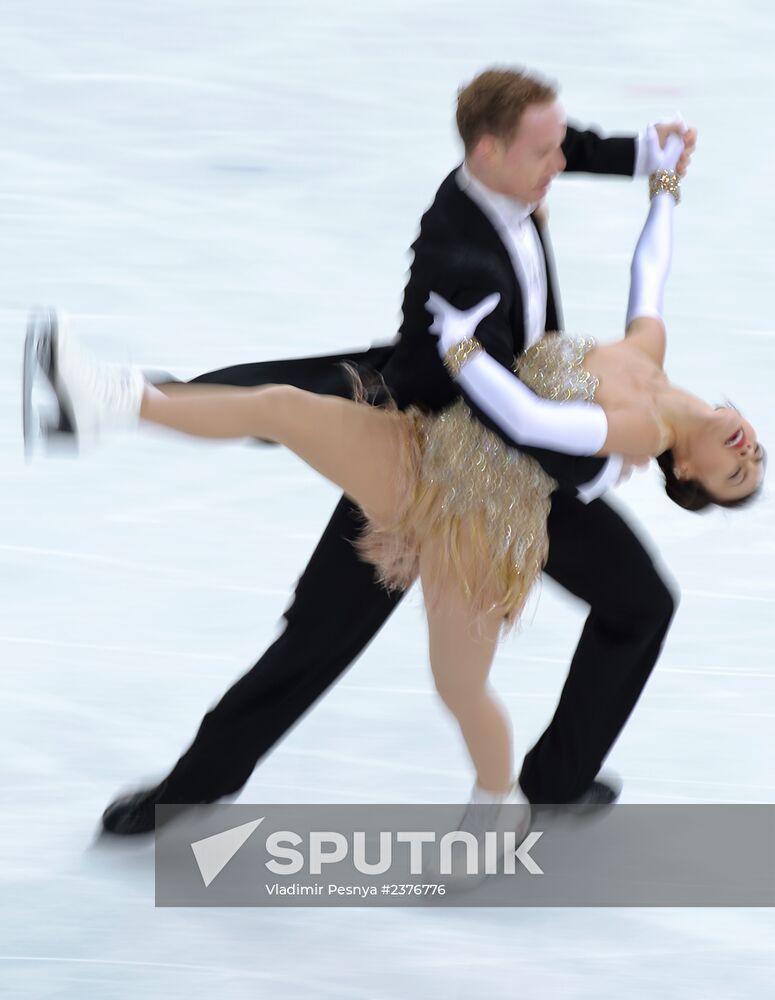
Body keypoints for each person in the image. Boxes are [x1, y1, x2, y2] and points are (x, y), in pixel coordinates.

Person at [29, 120, 762, 829]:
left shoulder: (628, 431)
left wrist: (472, 357)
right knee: (311, 568)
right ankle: (195, 784)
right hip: (425, 438)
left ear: (687, 470)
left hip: (507, 494)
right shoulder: (639, 342)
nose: (747, 453)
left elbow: (543, 432)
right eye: (752, 456)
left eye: (736, 474)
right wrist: (658, 174)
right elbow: (647, 265)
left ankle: (541, 787)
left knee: (625, 609)